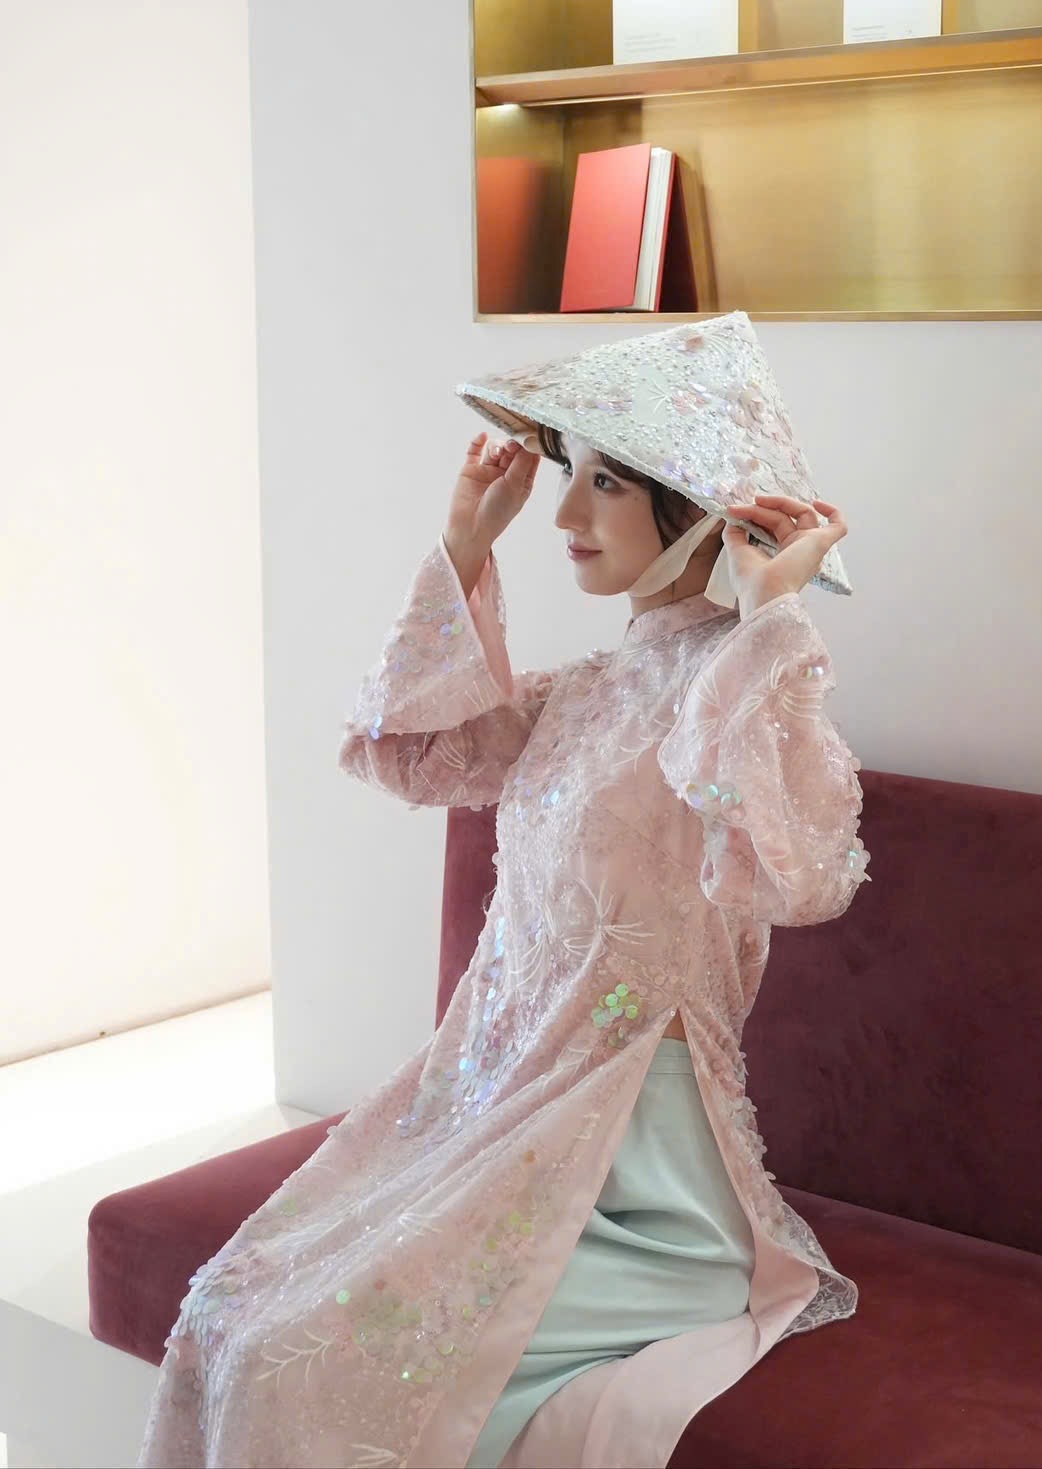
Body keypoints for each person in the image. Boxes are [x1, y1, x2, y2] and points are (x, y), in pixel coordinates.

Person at [136, 310, 871, 1469]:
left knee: (310, 1359)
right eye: (572, 474)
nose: (568, 515)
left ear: (700, 512)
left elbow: (802, 870)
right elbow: (410, 753)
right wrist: (466, 543)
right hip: (490, 1109)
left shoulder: (740, 688)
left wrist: (772, 611)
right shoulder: (587, 689)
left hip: (640, 1178)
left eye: (608, 483)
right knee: (237, 1307)